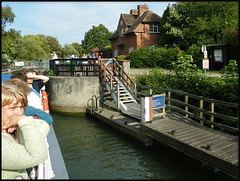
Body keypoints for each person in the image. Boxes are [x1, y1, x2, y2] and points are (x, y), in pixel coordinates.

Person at [1, 82, 50, 179]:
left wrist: (21, 122)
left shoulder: (12, 130)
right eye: (13, 108)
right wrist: (24, 120)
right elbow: (38, 157)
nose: (19, 112)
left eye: (21, 107)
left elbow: (43, 124)